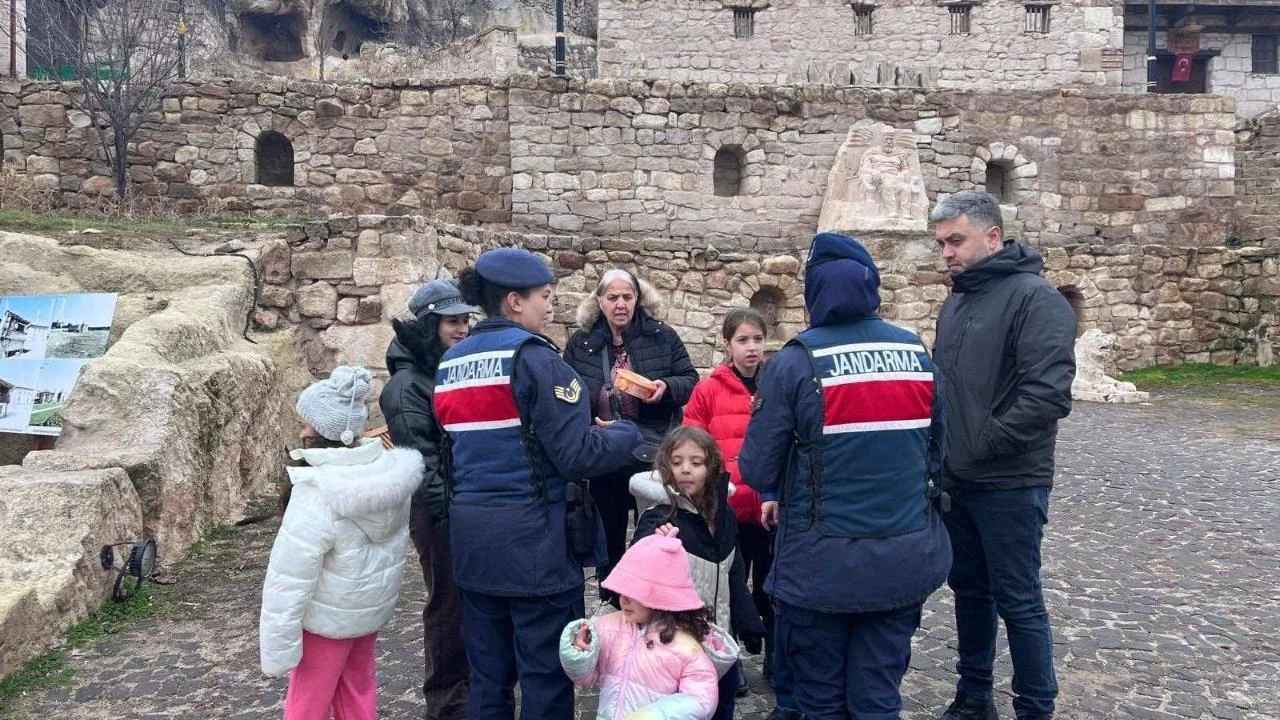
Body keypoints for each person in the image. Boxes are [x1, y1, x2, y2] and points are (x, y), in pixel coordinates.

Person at [739, 232, 952, 720]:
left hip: (820, 565)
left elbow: (757, 466)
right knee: (878, 696)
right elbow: (939, 451)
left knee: (821, 699)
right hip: (903, 554)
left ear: (814, 293)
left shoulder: (795, 361)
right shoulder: (916, 354)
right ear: (871, 287)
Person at [432, 247, 643, 720]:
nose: (551, 306)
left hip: (472, 542)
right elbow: (576, 455)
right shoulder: (535, 359)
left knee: (487, 679)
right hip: (536, 546)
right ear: (514, 301)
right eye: (544, 296)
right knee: (546, 677)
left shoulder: (450, 364)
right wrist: (627, 433)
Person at [930, 190, 1076, 720]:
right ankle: (974, 697)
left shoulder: (1037, 299)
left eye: (956, 240)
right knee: (970, 592)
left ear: (992, 236)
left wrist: (983, 444)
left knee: (1019, 600)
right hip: (957, 479)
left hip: (1011, 479)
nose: (947, 252)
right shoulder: (957, 301)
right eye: (942, 243)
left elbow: (1047, 395)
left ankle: (1035, 708)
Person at [260, 366, 425, 720]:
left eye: (308, 424)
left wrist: (277, 644)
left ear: (326, 432)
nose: (302, 431)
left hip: (326, 620)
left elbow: (290, 575)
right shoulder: (387, 477)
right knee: (357, 691)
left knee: (308, 703)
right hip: (367, 612)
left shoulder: (317, 491)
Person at [564, 268, 700, 605]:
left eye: (627, 296)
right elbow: (568, 391)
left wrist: (665, 387)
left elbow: (689, 379)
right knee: (608, 531)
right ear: (600, 301)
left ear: (638, 299)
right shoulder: (582, 342)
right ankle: (611, 600)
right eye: (613, 297)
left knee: (652, 530)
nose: (620, 304)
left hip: (651, 448)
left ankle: (650, 600)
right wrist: (588, 421)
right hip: (604, 450)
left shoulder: (661, 335)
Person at [380, 279, 479, 720]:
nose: (462, 329)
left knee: (468, 605)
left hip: (462, 504)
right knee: (447, 607)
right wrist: (449, 518)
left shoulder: (446, 370)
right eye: (451, 321)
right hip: (439, 512)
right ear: (428, 327)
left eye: (465, 320)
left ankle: (472, 690)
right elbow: (423, 465)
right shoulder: (407, 386)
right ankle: (447, 703)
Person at [630, 426, 767, 720]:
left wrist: (748, 621)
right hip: (676, 645)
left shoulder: (724, 515)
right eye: (677, 462)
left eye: (696, 462)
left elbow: (734, 571)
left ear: (711, 467)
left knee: (723, 703)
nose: (686, 469)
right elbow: (634, 574)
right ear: (666, 467)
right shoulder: (658, 517)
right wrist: (654, 544)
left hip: (718, 638)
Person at [680, 310, 777, 686]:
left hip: (769, 509)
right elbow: (692, 446)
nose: (751, 347)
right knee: (725, 591)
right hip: (727, 510)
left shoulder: (778, 384)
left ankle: (776, 658)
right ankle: (728, 662)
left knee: (771, 588)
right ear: (727, 344)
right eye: (742, 340)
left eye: (757, 339)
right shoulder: (709, 390)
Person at [558, 531, 741, 720]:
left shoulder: (685, 647)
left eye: (634, 592)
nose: (624, 600)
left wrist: (657, 714)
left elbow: (701, 700)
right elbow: (584, 678)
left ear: (661, 595)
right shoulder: (607, 628)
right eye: (622, 590)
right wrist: (580, 652)